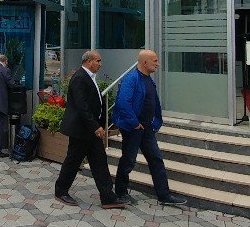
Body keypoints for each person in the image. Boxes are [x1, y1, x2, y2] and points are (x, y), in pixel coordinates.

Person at [111, 50, 187, 206]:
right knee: (128, 160)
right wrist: (134, 123)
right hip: (134, 128)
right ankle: (121, 192)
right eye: (155, 61)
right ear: (144, 62)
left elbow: (154, 102)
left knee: (156, 159)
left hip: (147, 128)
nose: (157, 64)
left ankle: (164, 195)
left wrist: (157, 121)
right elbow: (123, 102)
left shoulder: (149, 80)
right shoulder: (131, 79)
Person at [54, 50, 125, 209]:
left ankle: (107, 197)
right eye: (98, 61)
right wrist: (96, 126)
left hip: (90, 131)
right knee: (73, 161)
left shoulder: (88, 77)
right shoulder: (80, 78)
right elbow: (82, 107)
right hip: (81, 130)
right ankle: (61, 190)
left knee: (100, 162)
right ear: (88, 61)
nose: (100, 64)